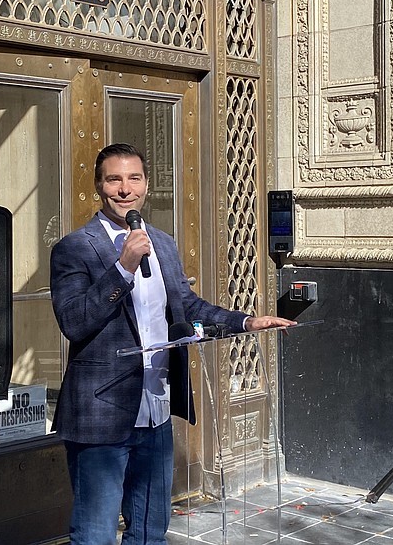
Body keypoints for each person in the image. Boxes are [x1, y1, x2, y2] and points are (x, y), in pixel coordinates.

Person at [49, 143, 296, 543]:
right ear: (98, 185)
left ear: (146, 184)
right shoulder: (75, 247)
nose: (125, 189)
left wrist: (246, 321)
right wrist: (122, 268)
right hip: (101, 415)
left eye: (134, 178)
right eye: (114, 179)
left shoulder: (161, 243)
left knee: (150, 533)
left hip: (155, 410)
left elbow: (188, 307)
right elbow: (74, 322)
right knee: (94, 535)